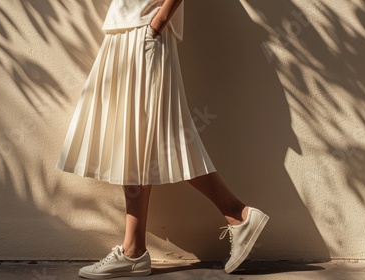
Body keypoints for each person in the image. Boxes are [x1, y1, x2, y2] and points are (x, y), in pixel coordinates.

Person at [55, 0, 269, 278]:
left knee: (160, 138)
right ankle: (134, 250)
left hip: (144, 31)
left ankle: (237, 213)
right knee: (133, 137)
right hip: (125, 31)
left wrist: (158, 22)